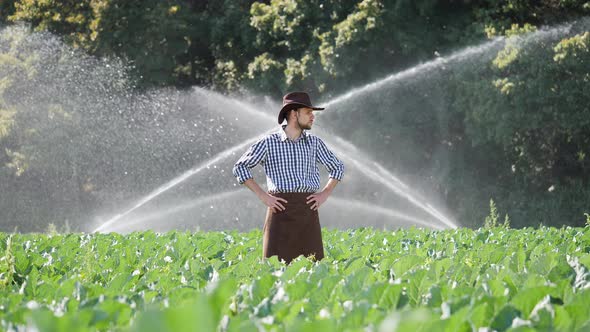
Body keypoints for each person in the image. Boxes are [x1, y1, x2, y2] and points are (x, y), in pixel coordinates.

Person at [232, 92, 344, 263]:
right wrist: (263, 196)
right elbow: (240, 167)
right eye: (308, 112)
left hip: (308, 212)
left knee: (312, 268)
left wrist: (324, 194)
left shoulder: (314, 143)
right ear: (293, 113)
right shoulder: (268, 142)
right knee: (274, 268)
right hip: (278, 211)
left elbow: (338, 167)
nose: (313, 117)